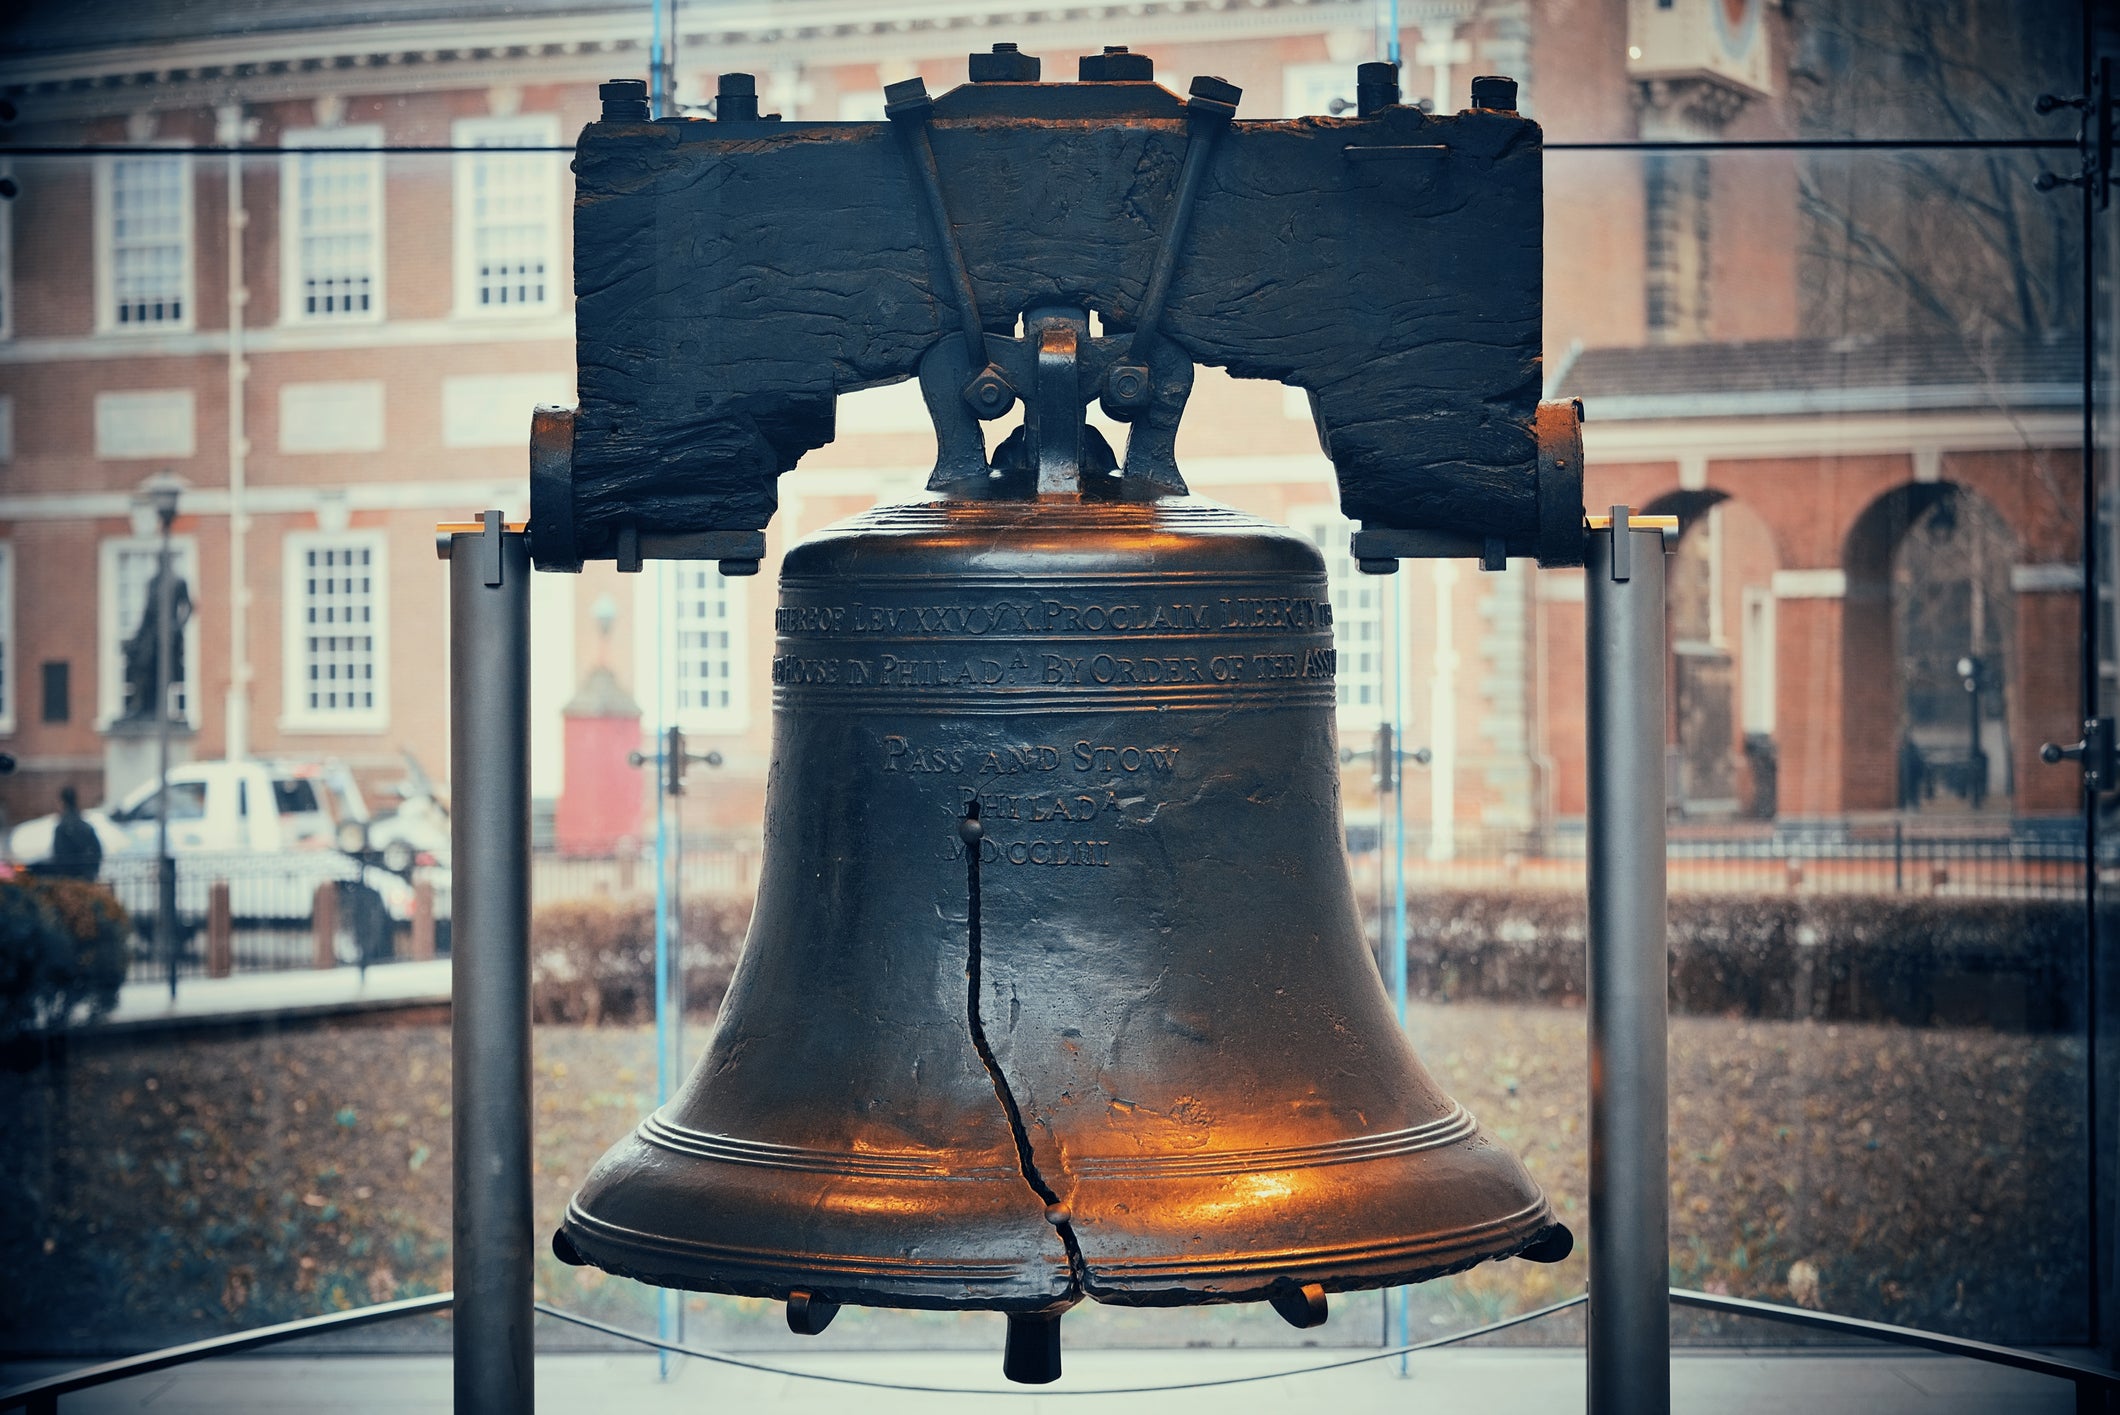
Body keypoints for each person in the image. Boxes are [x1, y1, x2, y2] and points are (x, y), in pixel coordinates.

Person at [48, 786, 103, 881]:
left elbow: (59, 856)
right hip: (87, 878)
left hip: (69, 881)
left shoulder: (61, 829)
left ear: (62, 802)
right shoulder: (86, 827)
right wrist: (91, 870)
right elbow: (97, 851)